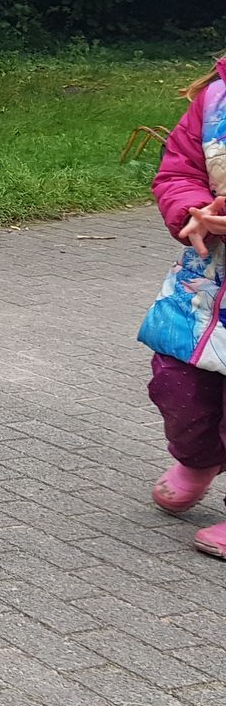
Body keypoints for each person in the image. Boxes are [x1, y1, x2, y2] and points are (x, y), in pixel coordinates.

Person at [137, 52, 226, 560]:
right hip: (203, 286)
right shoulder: (215, 99)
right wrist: (192, 210)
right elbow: (178, 170)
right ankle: (199, 458)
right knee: (177, 386)